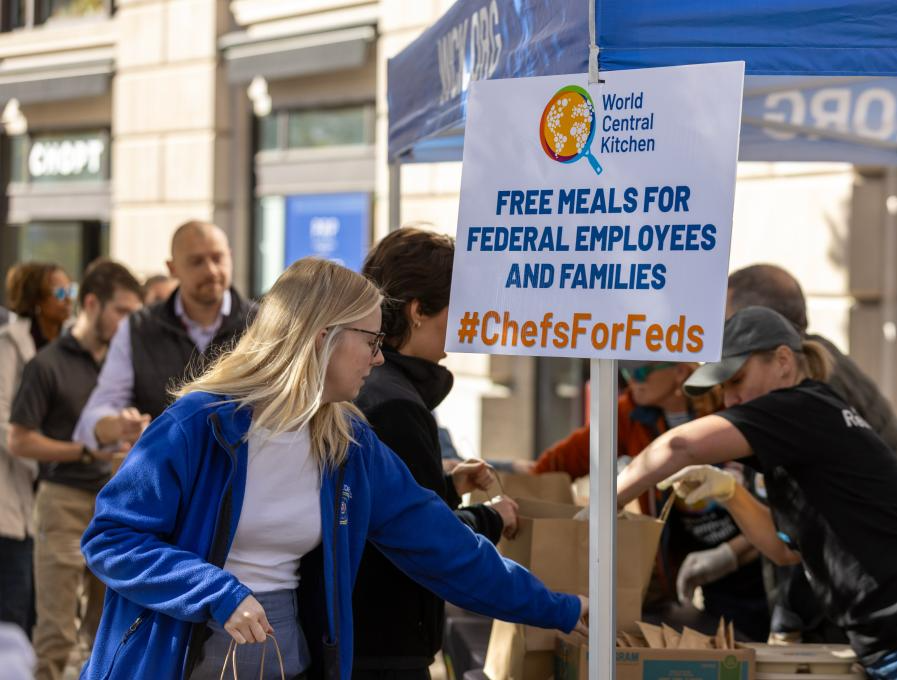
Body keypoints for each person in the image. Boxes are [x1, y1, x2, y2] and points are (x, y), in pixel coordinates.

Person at [79, 257, 587, 680]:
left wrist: (559, 608)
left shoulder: (349, 446)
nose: (379, 358)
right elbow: (110, 539)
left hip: (286, 662)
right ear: (323, 338)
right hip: (170, 661)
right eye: (371, 341)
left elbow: (448, 549)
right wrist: (217, 592)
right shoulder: (197, 425)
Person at [616, 306, 897, 679]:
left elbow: (679, 446)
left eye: (737, 380)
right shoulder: (806, 426)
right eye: (723, 389)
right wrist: (729, 492)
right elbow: (784, 550)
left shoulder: (799, 406)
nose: (730, 399)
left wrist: (608, 500)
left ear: (783, 361)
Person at [727, 263, 897, 643]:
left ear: (780, 355)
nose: (729, 396)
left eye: (732, 326)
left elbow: (801, 537)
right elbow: (790, 539)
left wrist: (789, 619)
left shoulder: (809, 396)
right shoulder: (812, 370)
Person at [354, 227, 521, 679]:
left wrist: (446, 486)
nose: (465, 324)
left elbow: (386, 510)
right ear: (418, 311)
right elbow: (426, 541)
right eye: (458, 307)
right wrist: (493, 517)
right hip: (384, 643)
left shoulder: (378, 386)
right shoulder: (395, 402)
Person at [532, 360, 769, 640]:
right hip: (697, 565)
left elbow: (778, 512)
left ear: (680, 371)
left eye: (642, 371)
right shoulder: (630, 414)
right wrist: (522, 484)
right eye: (626, 371)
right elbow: (563, 460)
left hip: (761, 557)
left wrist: (729, 554)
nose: (633, 380)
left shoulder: (728, 405)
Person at [7, 259, 143, 680]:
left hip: (114, 505)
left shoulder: (126, 366)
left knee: (106, 633)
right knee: (56, 634)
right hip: (62, 501)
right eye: (122, 311)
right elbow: (19, 440)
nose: (129, 324)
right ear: (92, 304)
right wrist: (84, 451)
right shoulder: (46, 364)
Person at [73, 221, 255, 453]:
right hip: (164, 469)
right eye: (197, 261)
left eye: (218, 258)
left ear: (230, 256)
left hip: (245, 470)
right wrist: (117, 425)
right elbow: (96, 414)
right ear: (172, 268)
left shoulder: (262, 324)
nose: (211, 271)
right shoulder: (138, 328)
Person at [0, 261, 74, 635]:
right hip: (15, 485)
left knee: (49, 611)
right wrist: (48, 449)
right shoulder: (10, 343)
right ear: (36, 300)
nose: (68, 300)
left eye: (71, 291)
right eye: (60, 292)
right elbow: (3, 418)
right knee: (17, 606)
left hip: (63, 486)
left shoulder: (74, 345)